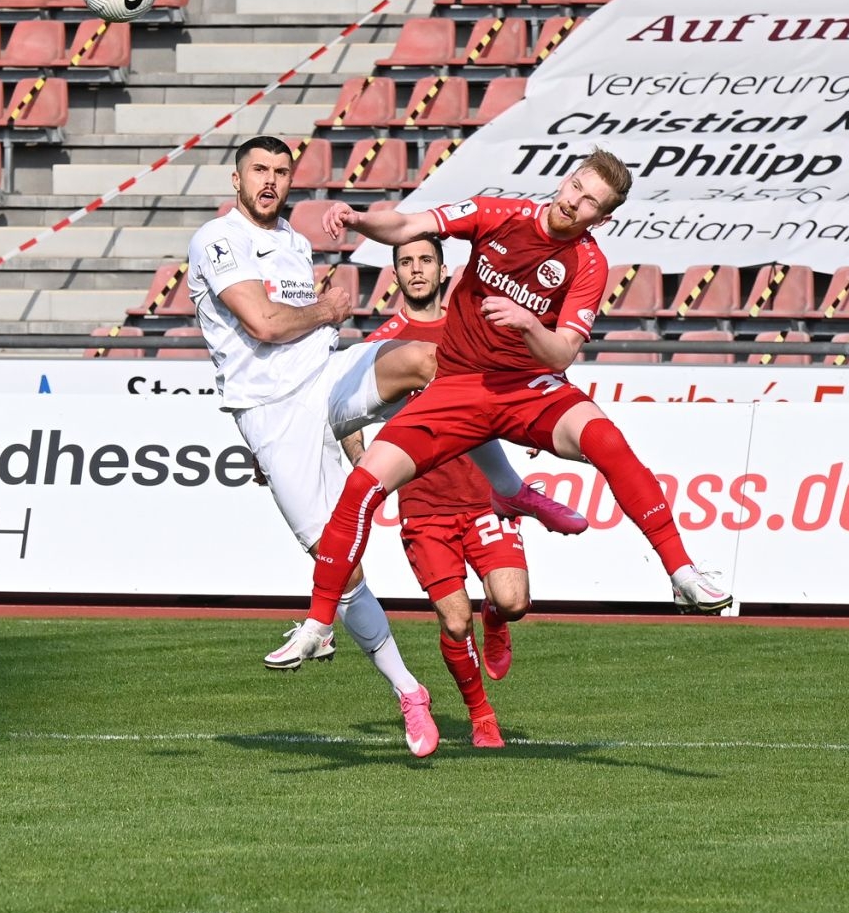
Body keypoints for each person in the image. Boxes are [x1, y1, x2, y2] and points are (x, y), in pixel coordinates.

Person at [190, 135, 585, 757]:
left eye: (281, 172)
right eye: (258, 170)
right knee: (341, 566)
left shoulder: (293, 241)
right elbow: (264, 323)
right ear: (236, 181)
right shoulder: (218, 238)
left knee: (433, 361)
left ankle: (511, 491)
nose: (270, 181)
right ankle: (409, 691)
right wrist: (328, 310)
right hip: (273, 412)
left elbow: (300, 328)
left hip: (323, 378)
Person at [263, 148, 730, 674]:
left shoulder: (589, 263)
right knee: (363, 485)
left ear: (602, 218)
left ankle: (682, 573)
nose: (574, 202)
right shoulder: (500, 213)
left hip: (527, 387)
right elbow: (409, 225)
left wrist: (527, 323)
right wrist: (358, 220)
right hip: (458, 386)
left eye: (590, 203)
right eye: (576, 187)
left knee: (607, 442)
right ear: (566, 180)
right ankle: (319, 624)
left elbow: (562, 354)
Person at [367, 235, 531, 749]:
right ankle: (481, 715)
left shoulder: (473, 326)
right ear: (396, 274)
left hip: (483, 494)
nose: (416, 269)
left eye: (425, 260)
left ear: (443, 271)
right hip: (424, 504)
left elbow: (521, 378)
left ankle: (497, 618)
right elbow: (351, 415)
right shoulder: (382, 345)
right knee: (455, 622)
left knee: (514, 600)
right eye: (406, 262)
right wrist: (364, 472)